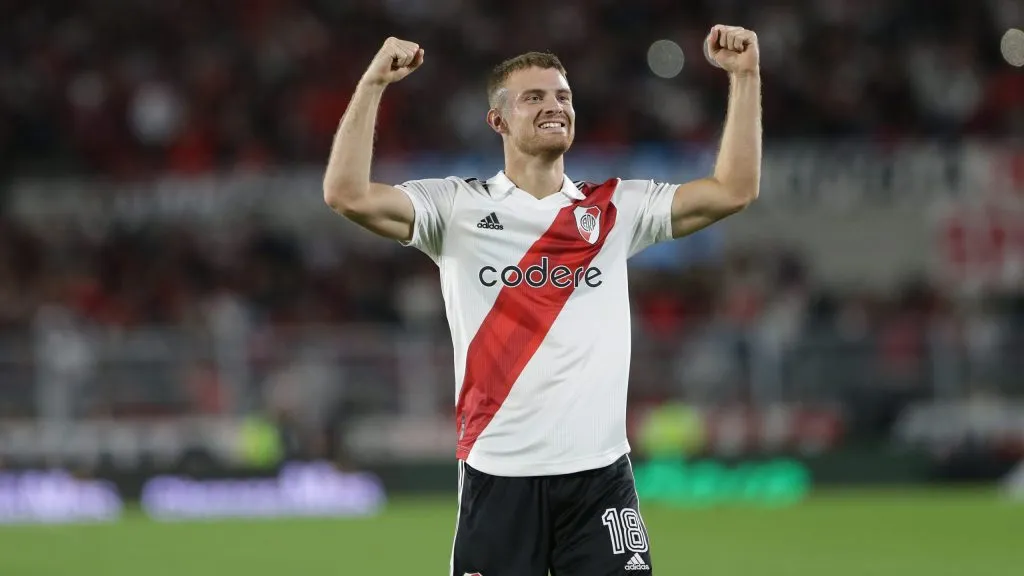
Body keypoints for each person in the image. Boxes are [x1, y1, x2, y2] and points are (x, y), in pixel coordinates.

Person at [323, 25, 761, 576]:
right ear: (498, 121)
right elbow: (346, 194)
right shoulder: (456, 208)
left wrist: (744, 77)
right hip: (499, 478)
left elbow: (733, 190)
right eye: (535, 97)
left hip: (600, 480)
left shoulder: (614, 209)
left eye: (563, 96)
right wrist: (372, 84)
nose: (555, 106)